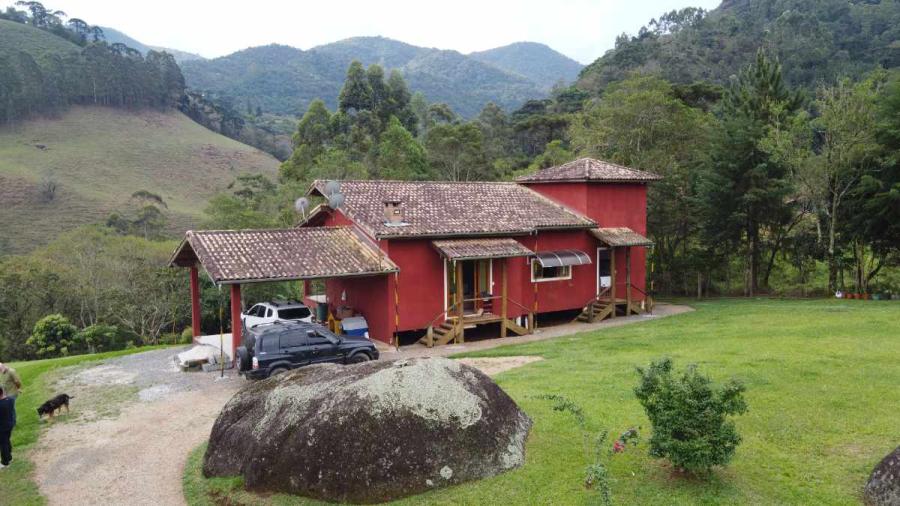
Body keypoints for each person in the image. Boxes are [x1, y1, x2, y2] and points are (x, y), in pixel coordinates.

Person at [0, 386, 14, 468]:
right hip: (9, 424)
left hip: (2, 428)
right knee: (7, 441)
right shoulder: (10, 400)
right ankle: (9, 457)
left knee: (3, 444)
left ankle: (5, 462)